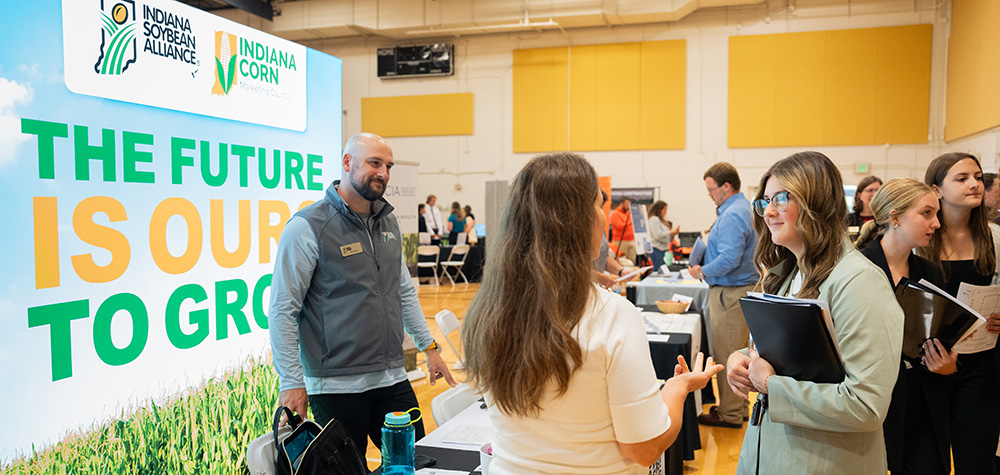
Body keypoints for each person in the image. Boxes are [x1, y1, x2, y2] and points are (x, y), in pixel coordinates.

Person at [461, 152, 723, 474]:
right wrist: (677, 388)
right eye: (599, 205)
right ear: (580, 220)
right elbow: (644, 448)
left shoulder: (488, 310)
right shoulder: (612, 315)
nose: (603, 215)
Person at [268, 133, 456, 453]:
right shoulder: (307, 227)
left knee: (415, 462)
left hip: (392, 378)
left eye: (388, 166)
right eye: (374, 163)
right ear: (347, 163)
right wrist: (291, 382)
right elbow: (282, 310)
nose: (383, 172)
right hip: (335, 387)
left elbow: (404, 292)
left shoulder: (389, 223)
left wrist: (430, 347)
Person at [726, 151, 903, 474]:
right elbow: (785, 356)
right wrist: (742, 359)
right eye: (764, 201)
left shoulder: (860, 282)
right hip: (774, 453)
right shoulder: (788, 274)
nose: (769, 212)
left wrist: (770, 384)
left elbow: (865, 405)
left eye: (781, 198)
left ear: (816, 201)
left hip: (824, 461)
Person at [854, 178, 956, 474]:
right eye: (926, 214)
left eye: (936, 214)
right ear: (894, 217)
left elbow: (940, 334)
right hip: (876, 396)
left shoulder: (930, 271)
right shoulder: (859, 268)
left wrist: (949, 364)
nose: (936, 223)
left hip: (923, 396)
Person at [917, 152, 1000, 475]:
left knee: (977, 462)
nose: (974, 184)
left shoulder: (993, 237)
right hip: (927, 363)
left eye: (978, 177)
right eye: (962, 178)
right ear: (936, 189)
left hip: (981, 364)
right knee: (926, 461)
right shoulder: (919, 238)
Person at [689, 161, 758, 429]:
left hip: (730, 294)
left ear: (726, 187)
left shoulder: (731, 215)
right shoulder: (741, 209)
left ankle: (729, 413)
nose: (709, 194)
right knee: (739, 353)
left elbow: (729, 259)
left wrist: (702, 270)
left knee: (728, 354)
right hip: (738, 292)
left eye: (711, 189)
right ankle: (737, 407)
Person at [593, 190, 627, 288]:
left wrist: (621, 271)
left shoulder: (599, 226)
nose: (602, 212)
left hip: (598, 287)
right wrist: (597, 276)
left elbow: (604, 256)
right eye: (599, 207)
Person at [647, 201, 679, 270]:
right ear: (659, 209)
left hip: (662, 251)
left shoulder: (660, 221)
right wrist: (670, 232)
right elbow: (658, 235)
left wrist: (673, 234)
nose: (665, 212)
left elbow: (666, 237)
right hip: (656, 250)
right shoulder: (654, 219)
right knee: (658, 272)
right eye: (664, 209)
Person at [609, 197, 637, 263]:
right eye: (627, 204)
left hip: (631, 240)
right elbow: (620, 226)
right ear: (622, 204)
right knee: (622, 261)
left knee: (632, 261)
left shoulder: (628, 213)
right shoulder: (615, 213)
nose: (628, 207)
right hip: (621, 241)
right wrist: (630, 221)